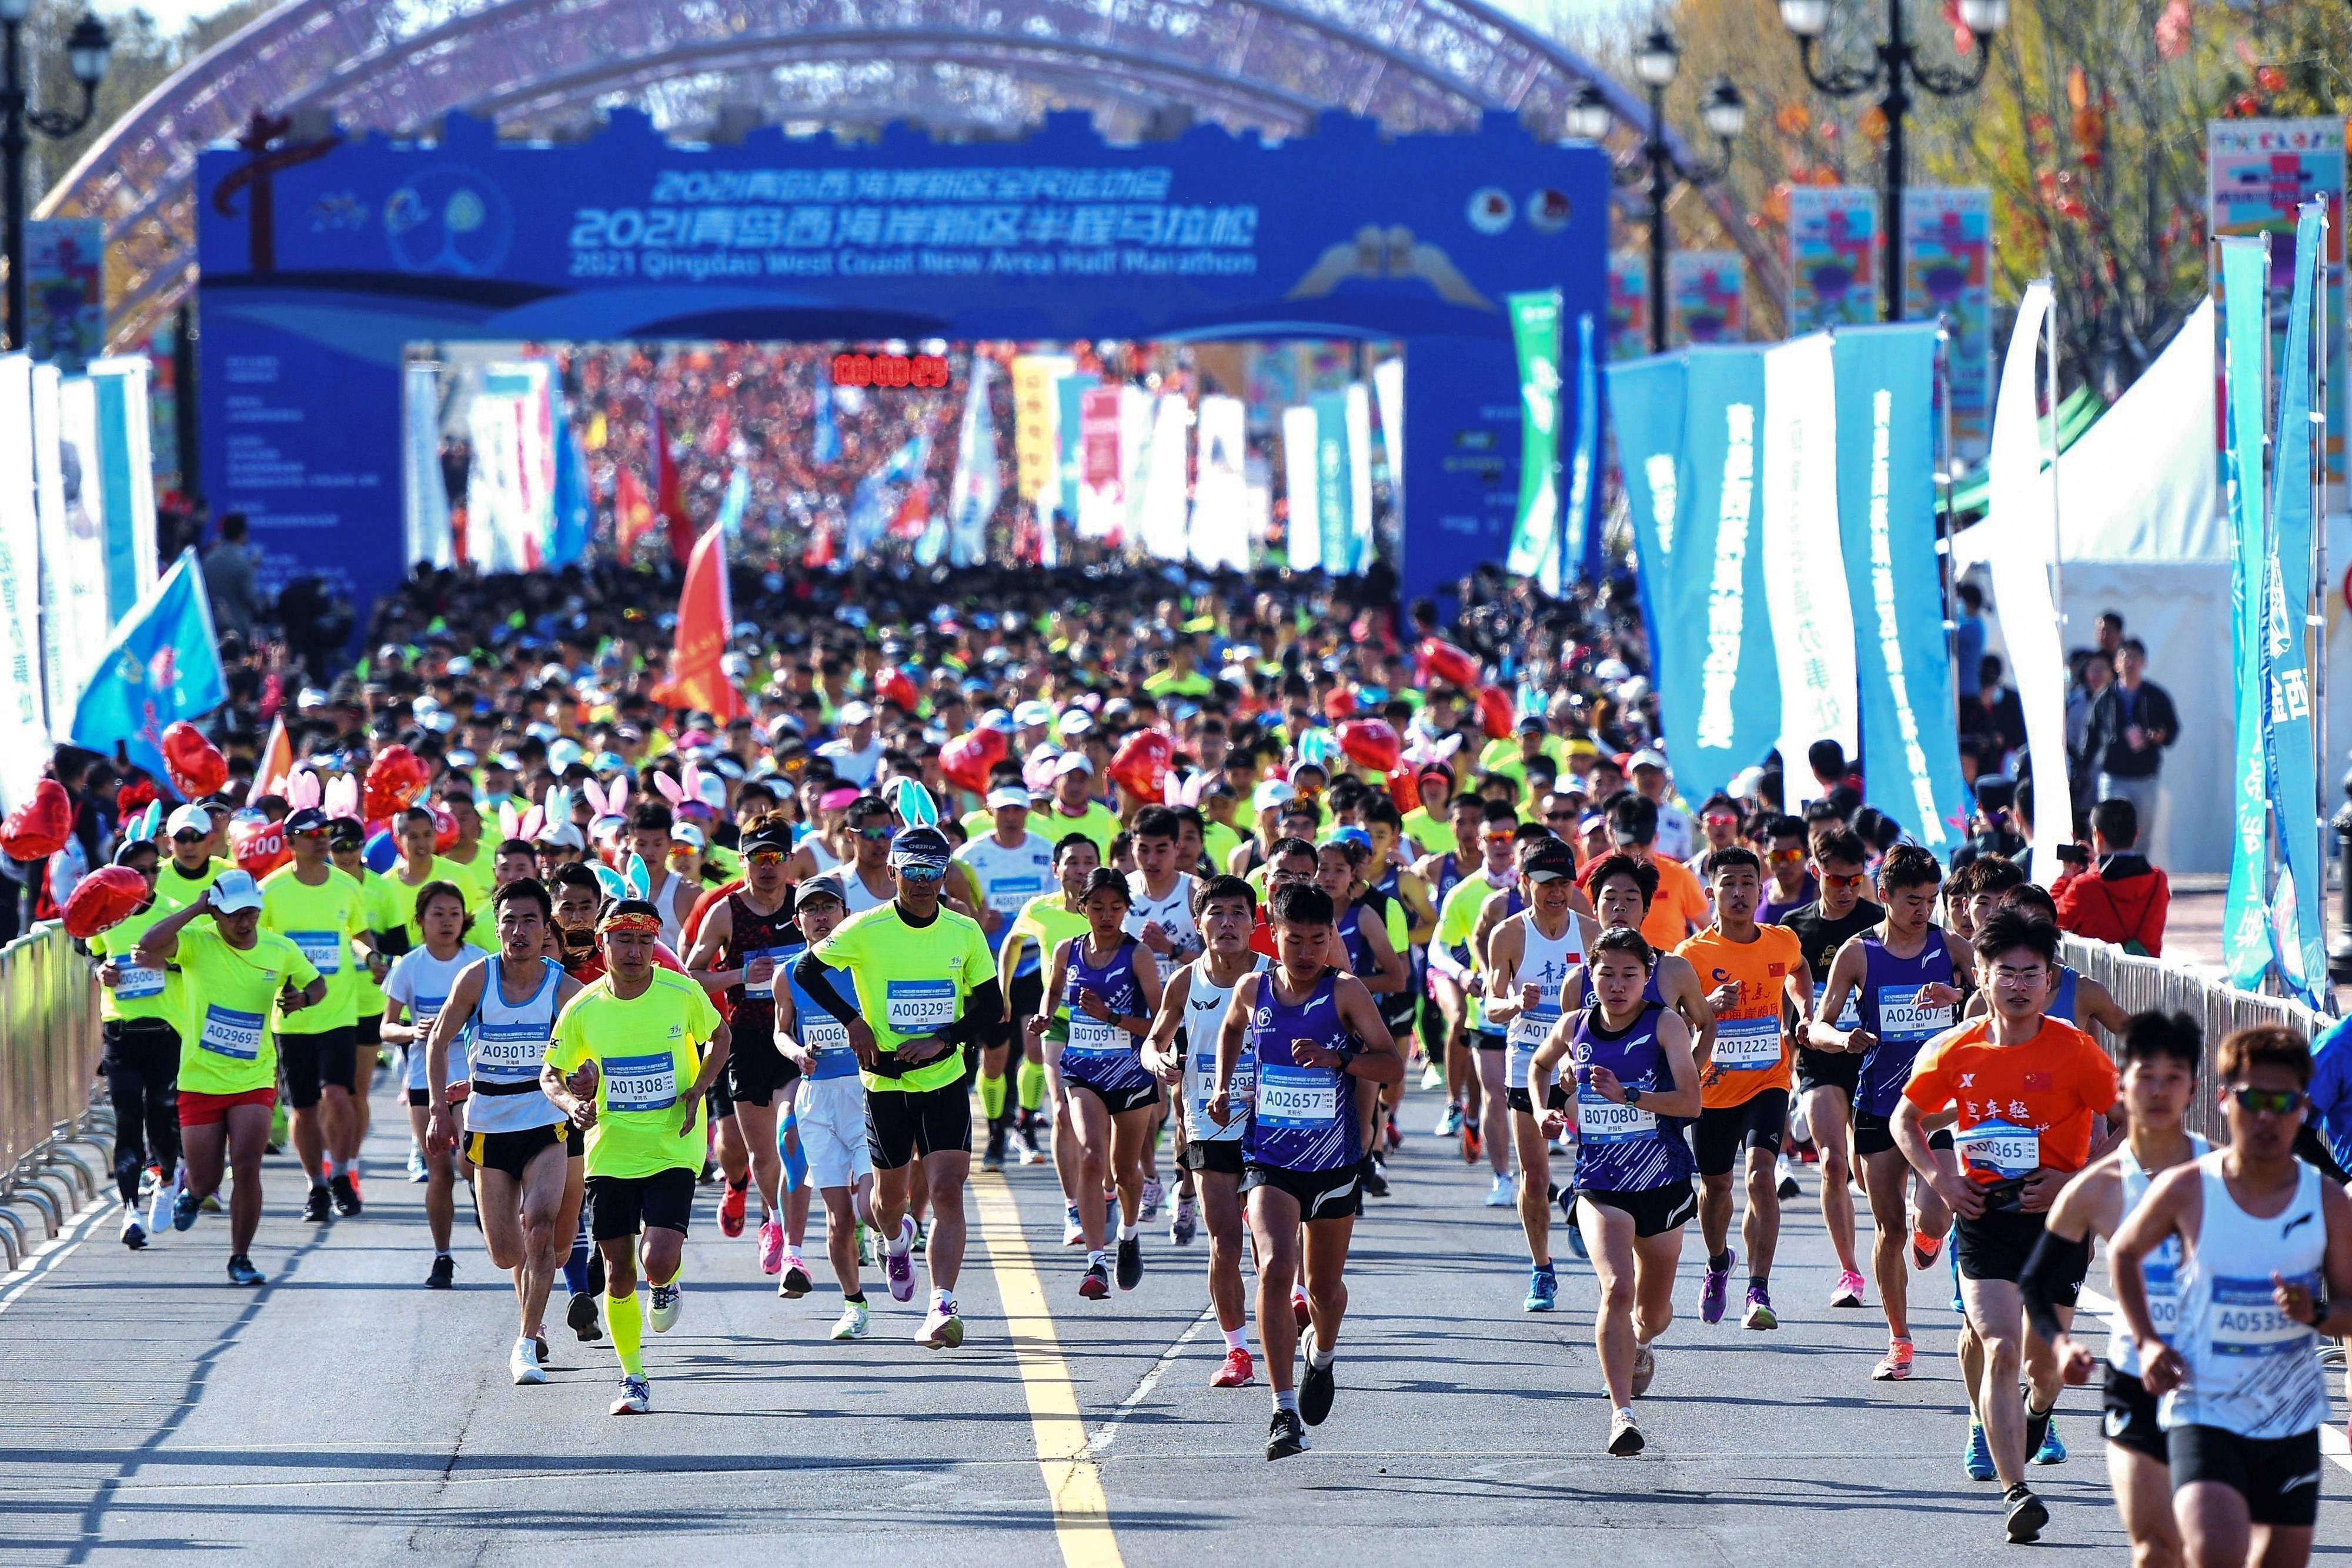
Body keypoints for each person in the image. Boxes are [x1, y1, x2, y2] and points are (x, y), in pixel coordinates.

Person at [1892, 910, 2120, 1545]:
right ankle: (2015, 1491)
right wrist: (1941, 1181)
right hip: (1984, 1215)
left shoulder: (2075, 1049)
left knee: (2045, 1366)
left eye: (2031, 973)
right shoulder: (1956, 1047)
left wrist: (2072, 1179)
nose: (2018, 985)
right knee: (1999, 1343)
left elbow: (2132, 1123)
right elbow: (1905, 1120)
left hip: (2057, 1220)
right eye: (2006, 973)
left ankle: (2038, 1409)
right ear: (1982, 977)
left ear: (2050, 981)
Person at [2109, 1025, 2352, 1568]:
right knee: (2217, 1551)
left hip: (2290, 1418)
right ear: (2224, 1100)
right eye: (2252, 1100)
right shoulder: (2189, 1186)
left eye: (2282, 1103)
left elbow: (2349, 1308)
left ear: (2303, 1108)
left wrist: (2314, 1311)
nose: (2267, 1116)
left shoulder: (2328, 1201)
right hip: (2206, 1406)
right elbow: (2124, 1253)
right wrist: (2148, 1341)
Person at [1209, 881, 1403, 1460]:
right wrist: (1223, 1085)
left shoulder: (1344, 992)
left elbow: (1391, 1064)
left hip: (1333, 1162)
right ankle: (1283, 1410)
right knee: (1275, 1269)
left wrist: (1338, 1058)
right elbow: (1231, 1027)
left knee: (1323, 1289)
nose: (1307, 951)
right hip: (1269, 1158)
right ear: (1273, 936)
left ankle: (1322, 1356)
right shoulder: (1253, 988)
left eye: (1319, 940)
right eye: (1295, 940)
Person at [794, 824, 1003, 1349]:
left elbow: (993, 1007)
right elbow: (805, 971)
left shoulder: (963, 931)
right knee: (889, 1203)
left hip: (944, 1079)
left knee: (947, 1187)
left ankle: (941, 1306)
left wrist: (943, 1039)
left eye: (934, 870)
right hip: (885, 1084)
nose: (924, 881)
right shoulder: (865, 928)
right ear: (893, 873)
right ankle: (894, 1241)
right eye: (913, 871)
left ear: (945, 874)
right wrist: (853, 1022)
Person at [2020, 1011, 2206, 1568]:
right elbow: (2034, 1281)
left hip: (2216, 1378)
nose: (2158, 1092)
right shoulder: (2095, 1188)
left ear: (2193, 1088)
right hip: (2134, 1379)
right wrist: (2059, 1344)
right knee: (2153, 1548)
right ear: (2120, 1087)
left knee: (2206, 1544)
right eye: (2146, 1077)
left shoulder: (2226, 1172)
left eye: (2173, 1078)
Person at [542, 898, 733, 1416]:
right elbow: (551, 1073)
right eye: (623, 940)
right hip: (611, 1151)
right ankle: (633, 1377)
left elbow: (721, 1035)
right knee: (618, 1271)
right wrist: (573, 1104)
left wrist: (698, 1089)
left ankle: (666, 1280)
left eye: (645, 941)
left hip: (673, 1142)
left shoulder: (681, 991)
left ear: (655, 944)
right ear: (602, 943)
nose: (634, 951)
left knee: (657, 1260)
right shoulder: (582, 1007)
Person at [1529, 924, 1702, 1456]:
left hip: (1662, 1181)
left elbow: (1691, 1102)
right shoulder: (1573, 1025)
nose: (1618, 984)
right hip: (1600, 1183)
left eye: (1630, 974)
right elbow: (1538, 1065)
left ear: (1647, 977)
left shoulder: (1665, 1024)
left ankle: (1642, 1341)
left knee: (1654, 1311)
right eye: (1607, 973)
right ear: (1591, 976)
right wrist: (1542, 1110)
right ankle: (1621, 1415)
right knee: (1617, 1288)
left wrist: (1629, 1095)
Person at [1807, 844, 1967, 1379]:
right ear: (1885, 896)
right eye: (1912, 900)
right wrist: (1842, 1039)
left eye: (1931, 899)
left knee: (1937, 1214)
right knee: (1889, 1228)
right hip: (1877, 1105)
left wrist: (1958, 995)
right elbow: (1818, 1024)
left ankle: (1930, 1234)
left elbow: (1997, 998)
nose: (1924, 910)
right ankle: (1899, 1341)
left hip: (1934, 1107)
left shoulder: (1950, 945)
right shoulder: (1859, 952)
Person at [423, 877, 585, 1384]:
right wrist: (437, 1108)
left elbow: (598, 1046)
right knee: (507, 1253)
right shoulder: (477, 978)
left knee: (542, 1227)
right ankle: (531, 1300)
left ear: (546, 929)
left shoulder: (564, 988)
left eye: (530, 920)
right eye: (509, 920)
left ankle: (527, 1341)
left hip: (545, 1121)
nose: (519, 931)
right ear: (496, 928)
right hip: (489, 1126)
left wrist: (586, 1079)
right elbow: (438, 1041)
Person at [139, 869, 326, 1286]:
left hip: (253, 1077)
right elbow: (150, 944)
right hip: (201, 1079)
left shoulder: (279, 948)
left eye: (251, 913)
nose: (244, 923)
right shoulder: (197, 942)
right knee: (206, 1178)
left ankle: (240, 1257)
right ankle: (193, 1192)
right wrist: (195, 908)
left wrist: (302, 998)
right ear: (216, 912)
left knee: (246, 1165)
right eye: (234, 915)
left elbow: (317, 984)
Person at [1678, 845, 1810, 1330]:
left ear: (1761, 888)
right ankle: (1718, 1263)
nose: (1739, 892)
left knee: (1760, 1176)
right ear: (1710, 892)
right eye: (1728, 884)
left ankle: (1759, 1289)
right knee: (1715, 1188)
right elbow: (1671, 1019)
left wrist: (1804, 1009)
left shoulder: (1782, 940)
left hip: (1767, 1080)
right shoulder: (1691, 955)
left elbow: (1799, 969)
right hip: (1711, 1089)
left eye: (1747, 883)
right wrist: (1706, 1006)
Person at [1142, 875, 1264, 1388]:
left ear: (1254, 922)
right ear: (1198, 922)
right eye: (1217, 913)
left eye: (1238, 913)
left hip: (1269, 1124)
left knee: (1269, 1244)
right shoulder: (1185, 981)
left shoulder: (1273, 976)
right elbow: (1154, 1041)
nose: (1228, 923)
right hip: (1208, 1122)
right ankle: (1237, 1350)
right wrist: (1159, 1062)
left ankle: (1292, 1310)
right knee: (1225, 1242)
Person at [1031, 867, 1165, 1297]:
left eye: (1116, 907)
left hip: (1130, 1074)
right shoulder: (1067, 950)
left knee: (1125, 1170)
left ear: (1127, 909)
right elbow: (1053, 990)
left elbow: (1160, 1023)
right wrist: (1045, 1015)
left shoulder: (1138, 955)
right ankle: (1095, 1262)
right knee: (1091, 1156)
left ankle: (1128, 1233)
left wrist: (1111, 1016)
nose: (1107, 916)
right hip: (1082, 1071)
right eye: (1098, 907)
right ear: (1082, 907)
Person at [684, 818, 802, 1277]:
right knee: (757, 1154)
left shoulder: (806, 905)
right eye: (758, 857)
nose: (767, 866)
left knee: (789, 1133)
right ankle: (771, 1216)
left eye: (775, 857)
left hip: (796, 1038)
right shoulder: (726, 912)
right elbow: (692, 974)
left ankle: (788, 1233)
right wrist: (739, 976)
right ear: (742, 860)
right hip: (748, 1040)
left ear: (790, 859)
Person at [1482, 837, 1594, 1312]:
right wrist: (1514, 1003)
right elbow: (1491, 1003)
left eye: (1564, 883)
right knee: (1534, 1174)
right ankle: (1542, 1268)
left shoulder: (1590, 933)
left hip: (1577, 1061)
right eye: (1546, 884)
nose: (1556, 893)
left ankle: (1581, 1200)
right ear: (1525, 882)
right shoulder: (1508, 934)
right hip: (1527, 1064)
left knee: (1599, 1151)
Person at [1780, 826, 1886, 1310]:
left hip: (1871, 1056)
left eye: (1855, 880)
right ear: (1816, 871)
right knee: (1832, 1161)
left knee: (1866, 1172)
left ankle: (1890, 1241)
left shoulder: (1877, 921)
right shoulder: (1795, 925)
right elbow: (1787, 982)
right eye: (1836, 880)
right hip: (1819, 1055)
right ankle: (1849, 1271)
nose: (1846, 890)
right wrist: (1793, 1026)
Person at [773, 873, 879, 1338]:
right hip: (816, 1098)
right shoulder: (788, 973)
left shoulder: (864, 964)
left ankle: (892, 1238)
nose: (820, 917)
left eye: (828, 907)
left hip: (866, 1091)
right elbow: (781, 1031)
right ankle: (854, 1305)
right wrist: (797, 1053)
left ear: (845, 914)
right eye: (810, 909)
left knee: (872, 1206)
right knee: (839, 1215)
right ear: (798, 920)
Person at [260, 807, 375, 1222]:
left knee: (339, 1096)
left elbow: (359, 933)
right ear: (289, 841)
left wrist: (372, 956)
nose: (321, 838)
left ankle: (341, 1173)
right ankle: (316, 1185)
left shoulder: (346, 885)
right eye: (309, 834)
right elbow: (257, 943)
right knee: (304, 1108)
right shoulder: (270, 890)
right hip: (291, 1016)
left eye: (324, 831)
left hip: (339, 1011)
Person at [382, 881, 487, 1286]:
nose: (447, 922)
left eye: (454, 914)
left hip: (471, 1075)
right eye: (438, 914)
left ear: (465, 919)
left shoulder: (479, 963)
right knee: (439, 1170)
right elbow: (386, 1027)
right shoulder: (409, 966)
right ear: (421, 920)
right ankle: (442, 1256)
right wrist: (413, 1032)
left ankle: (482, 1198)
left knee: (469, 1160)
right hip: (424, 1077)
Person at [87, 839, 183, 1249]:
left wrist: (168, 963)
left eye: (153, 869)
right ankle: (130, 1212)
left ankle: (167, 1179)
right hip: (121, 1032)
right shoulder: (106, 914)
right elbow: (93, 954)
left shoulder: (174, 912)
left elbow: (198, 962)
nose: (147, 877)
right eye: (138, 870)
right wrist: (101, 971)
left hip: (166, 1032)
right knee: (128, 1117)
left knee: (161, 1116)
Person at [954, 784, 1054, 1171]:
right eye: (1004, 810)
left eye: (1018, 809)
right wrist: (979, 919)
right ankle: (996, 1131)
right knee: (994, 1059)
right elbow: (955, 908)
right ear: (989, 811)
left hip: (1033, 964)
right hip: (990, 968)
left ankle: (1025, 1125)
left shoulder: (1045, 851)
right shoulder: (970, 855)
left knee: (1036, 1048)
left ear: (1028, 812)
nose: (1011, 817)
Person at [2087, 638, 2179, 845]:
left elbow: (2173, 729)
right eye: (2124, 657)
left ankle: (2136, 866)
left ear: (2144, 663)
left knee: (2141, 834)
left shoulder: (2156, 696)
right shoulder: (2105, 697)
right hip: (2113, 775)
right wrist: (2083, 768)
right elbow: (2091, 734)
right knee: (2108, 827)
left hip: (2144, 777)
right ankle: (2110, 864)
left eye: (2135, 658)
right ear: (2116, 664)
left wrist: (2160, 736)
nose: (2129, 663)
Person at [2054, 796, 2170, 957]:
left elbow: (2053, 917)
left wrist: (2065, 879)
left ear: (2097, 835)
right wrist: (2096, 865)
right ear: (2136, 835)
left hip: (2097, 971)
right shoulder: (2159, 880)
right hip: (2147, 970)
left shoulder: (2084, 886)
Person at [201, 510, 260, 644]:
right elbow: (250, 599)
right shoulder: (243, 563)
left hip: (211, 627)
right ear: (242, 535)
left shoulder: (207, 560)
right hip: (238, 630)